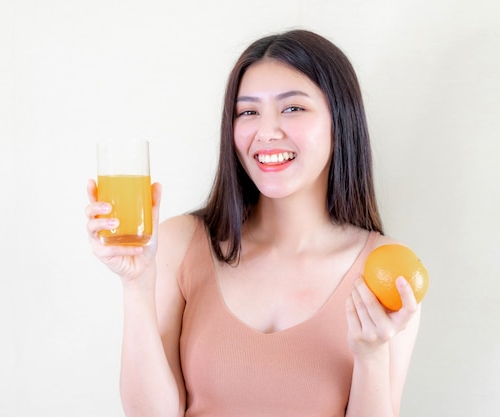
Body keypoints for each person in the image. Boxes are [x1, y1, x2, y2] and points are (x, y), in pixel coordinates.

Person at [85, 29, 421, 417]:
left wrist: (372, 356)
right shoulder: (180, 244)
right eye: (248, 112)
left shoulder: (386, 267)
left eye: (293, 108)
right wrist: (136, 285)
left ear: (340, 120)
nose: (266, 132)